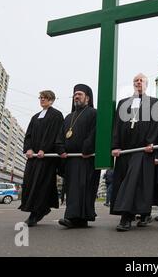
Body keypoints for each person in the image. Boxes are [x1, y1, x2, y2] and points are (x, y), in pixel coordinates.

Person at [110, 74, 158, 232]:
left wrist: (150, 142)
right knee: (128, 181)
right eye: (136, 81)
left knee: (135, 181)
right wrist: (115, 146)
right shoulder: (123, 103)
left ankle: (126, 217)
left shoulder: (154, 102)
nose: (138, 82)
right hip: (125, 150)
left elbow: (156, 124)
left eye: (141, 80)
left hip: (143, 149)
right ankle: (144, 213)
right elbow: (117, 126)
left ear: (146, 84)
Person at [57, 84, 100, 228]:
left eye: (79, 94)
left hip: (86, 158)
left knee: (84, 188)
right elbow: (61, 136)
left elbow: (95, 133)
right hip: (70, 159)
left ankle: (78, 217)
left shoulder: (94, 113)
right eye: (75, 94)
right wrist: (61, 149)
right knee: (72, 189)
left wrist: (86, 148)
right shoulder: (68, 117)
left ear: (87, 98)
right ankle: (75, 217)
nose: (76, 96)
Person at [19, 90, 64, 227]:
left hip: (46, 157)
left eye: (45, 98)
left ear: (52, 100)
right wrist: (29, 149)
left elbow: (55, 134)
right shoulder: (35, 117)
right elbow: (29, 135)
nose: (42, 100)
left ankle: (35, 213)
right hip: (33, 157)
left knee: (41, 185)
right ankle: (41, 209)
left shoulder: (56, 115)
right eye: (41, 98)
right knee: (29, 183)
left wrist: (44, 149)